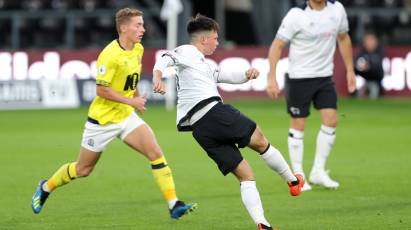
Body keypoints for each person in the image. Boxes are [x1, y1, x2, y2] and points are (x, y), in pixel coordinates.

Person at [31, 8, 196, 219]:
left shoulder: (138, 49)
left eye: (143, 24)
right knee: (83, 169)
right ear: (123, 28)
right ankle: (46, 187)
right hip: (102, 121)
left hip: (126, 115)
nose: (143, 29)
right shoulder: (109, 55)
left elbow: (131, 77)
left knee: (155, 153)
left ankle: (174, 204)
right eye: (138, 25)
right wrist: (132, 100)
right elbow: (101, 90)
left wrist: (134, 100)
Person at [152, 14, 304, 230]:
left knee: (246, 176)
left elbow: (224, 75)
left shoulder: (201, 64)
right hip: (213, 112)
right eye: (215, 38)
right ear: (204, 39)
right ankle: (293, 180)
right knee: (261, 141)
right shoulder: (188, 51)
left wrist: (246, 74)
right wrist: (157, 76)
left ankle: (262, 224)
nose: (217, 42)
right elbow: (166, 58)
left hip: (201, 130)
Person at [266, 0, 356, 191]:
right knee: (299, 124)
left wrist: (350, 70)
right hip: (299, 78)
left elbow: (344, 38)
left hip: (324, 76)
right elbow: (277, 45)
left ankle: (318, 171)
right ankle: (299, 175)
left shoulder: (337, 9)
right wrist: (271, 77)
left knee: (331, 120)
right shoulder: (296, 15)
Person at [354, 31, 384, 99]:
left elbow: (379, 71)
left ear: (376, 42)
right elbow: (355, 68)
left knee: (374, 88)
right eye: (368, 40)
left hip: (375, 82)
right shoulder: (361, 54)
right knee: (359, 85)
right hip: (363, 81)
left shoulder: (380, 53)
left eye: (371, 40)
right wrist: (360, 68)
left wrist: (369, 67)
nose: (369, 42)